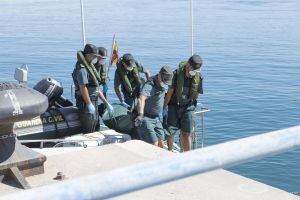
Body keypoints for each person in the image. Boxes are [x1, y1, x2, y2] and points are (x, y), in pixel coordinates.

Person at [163, 54, 203, 151]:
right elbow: (169, 93)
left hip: (188, 106)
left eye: (196, 70)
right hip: (174, 106)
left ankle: (187, 156)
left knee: (186, 133)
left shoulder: (199, 76)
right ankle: (170, 152)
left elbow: (197, 93)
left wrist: (194, 105)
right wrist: (164, 108)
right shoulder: (176, 74)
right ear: (188, 65)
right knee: (170, 131)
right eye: (193, 69)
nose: (193, 72)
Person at [72, 44, 114, 133]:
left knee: (96, 127)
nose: (95, 58)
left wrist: (106, 103)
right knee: (89, 130)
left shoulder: (90, 66)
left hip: (93, 101)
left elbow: (96, 88)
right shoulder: (82, 68)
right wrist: (88, 104)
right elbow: (83, 87)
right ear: (88, 55)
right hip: (86, 104)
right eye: (94, 56)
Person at [134, 65, 173, 147]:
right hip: (146, 118)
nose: (165, 83)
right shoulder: (150, 85)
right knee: (154, 144)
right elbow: (141, 99)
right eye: (164, 81)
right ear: (159, 75)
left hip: (156, 118)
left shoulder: (163, 83)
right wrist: (140, 115)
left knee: (161, 142)